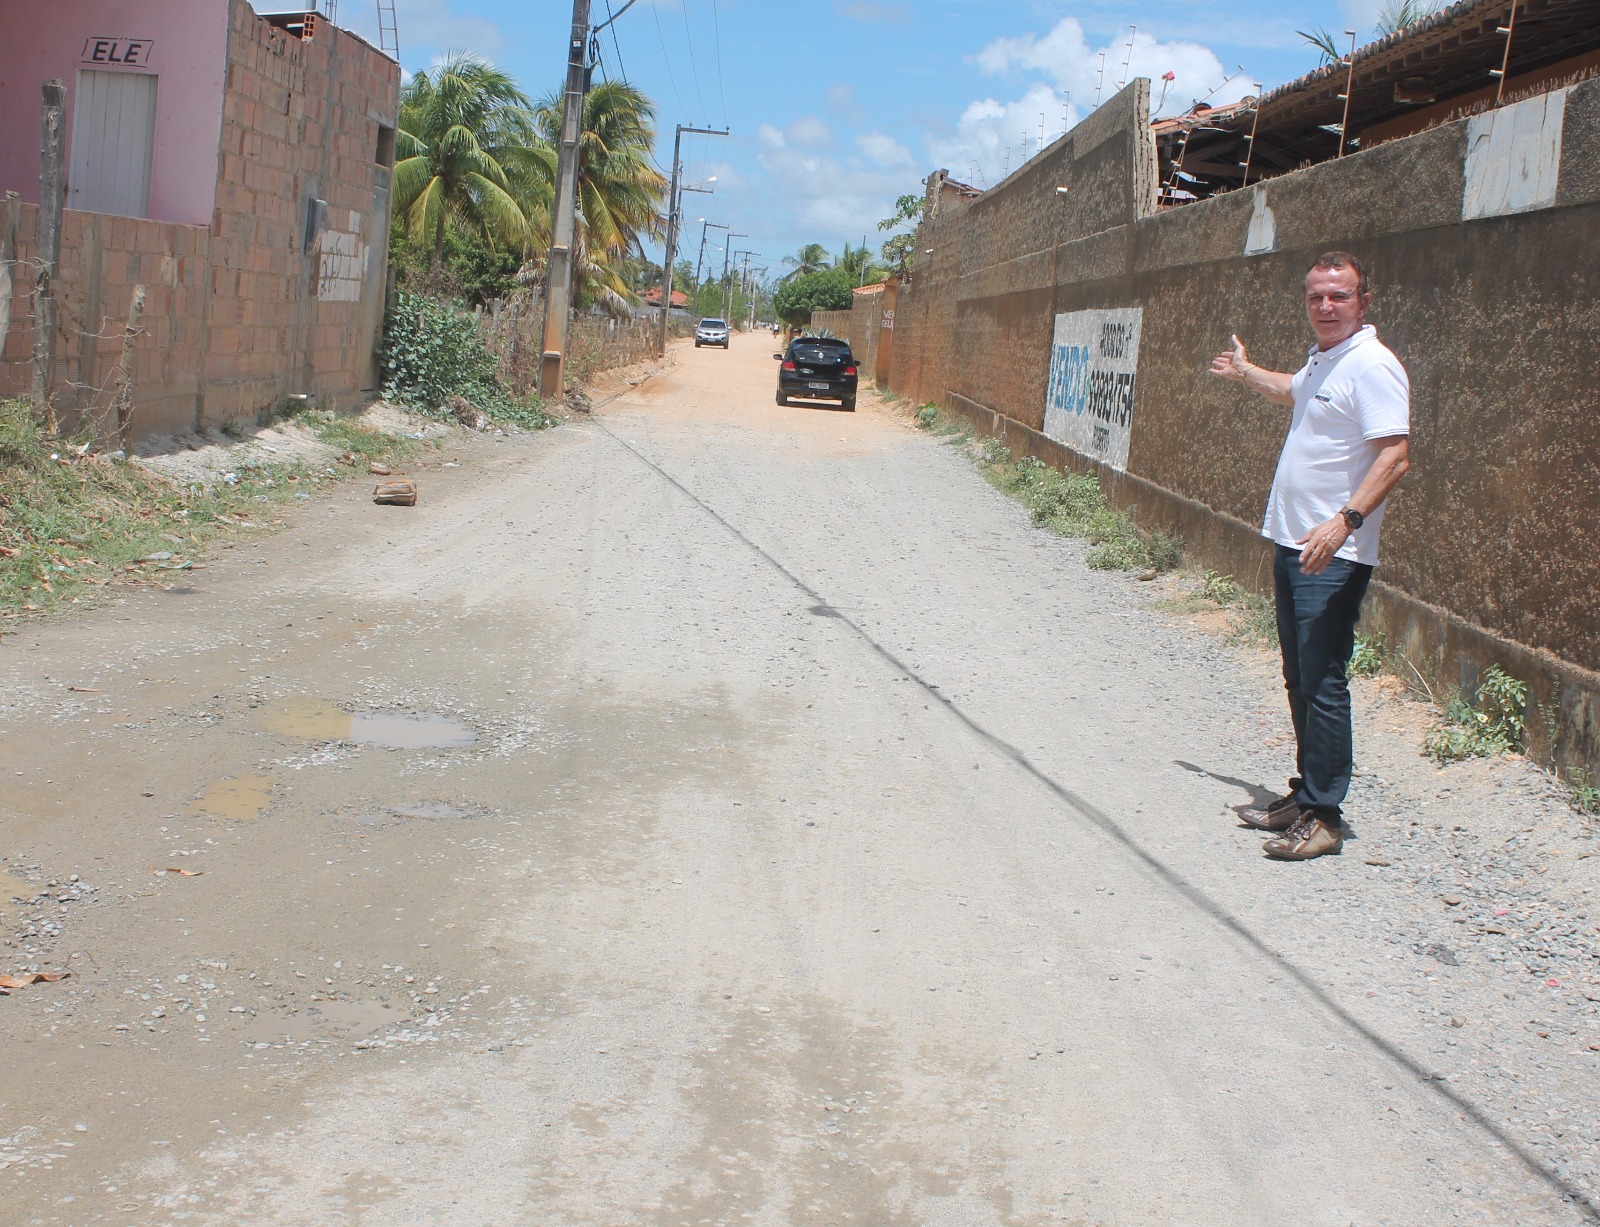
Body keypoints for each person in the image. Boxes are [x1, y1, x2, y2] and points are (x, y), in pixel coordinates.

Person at [1208, 251, 1411, 861]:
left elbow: (1395, 454)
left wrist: (1343, 522)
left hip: (1333, 554)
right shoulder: (1328, 361)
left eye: (1339, 296)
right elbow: (1293, 390)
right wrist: (1247, 373)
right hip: (1295, 544)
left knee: (1322, 681)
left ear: (1363, 301)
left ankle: (1325, 815)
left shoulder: (1373, 365)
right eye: (1316, 296)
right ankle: (1307, 793)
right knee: (1299, 675)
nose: (1326, 306)